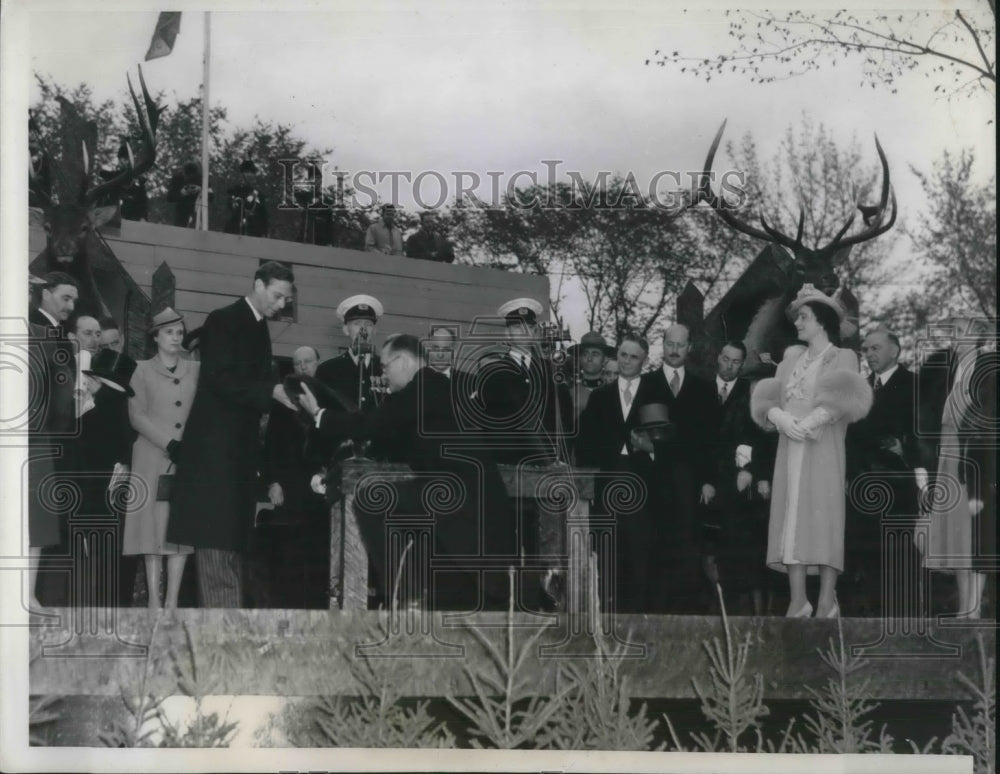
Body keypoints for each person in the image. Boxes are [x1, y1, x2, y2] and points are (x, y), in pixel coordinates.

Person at [298, 334, 515, 610]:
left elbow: (373, 423)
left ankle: (407, 596)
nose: (384, 375)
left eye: (385, 367)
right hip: (462, 501)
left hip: (463, 499)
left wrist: (319, 415)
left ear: (401, 361)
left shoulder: (427, 385)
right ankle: (412, 594)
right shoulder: (427, 394)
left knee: (372, 500)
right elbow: (384, 440)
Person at [166, 262, 297, 607]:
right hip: (214, 455)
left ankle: (227, 627)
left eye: (287, 298)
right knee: (216, 543)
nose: (282, 304)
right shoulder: (224, 319)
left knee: (231, 546)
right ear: (257, 284)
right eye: (277, 295)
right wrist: (271, 392)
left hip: (234, 454)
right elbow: (219, 379)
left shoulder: (256, 326)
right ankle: (219, 634)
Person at [750, 285, 872, 619]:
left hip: (823, 450)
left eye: (804, 317)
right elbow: (766, 400)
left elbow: (846, 399)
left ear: (822, 321)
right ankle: (798, 600)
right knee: (792, 520)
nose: (798, 324)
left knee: (824, 519)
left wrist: (810, 422)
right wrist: (780, 418)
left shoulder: (842, 356)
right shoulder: (790, 359)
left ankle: (827, 601)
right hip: (790, 450)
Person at [637, 323, 719, 613]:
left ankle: (686, 614)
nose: (674, 350)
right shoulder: (645, 384)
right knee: (654, 545)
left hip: (689, 480)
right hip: (652, 481)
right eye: (669, 344)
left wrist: (709, 481)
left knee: (687, 544)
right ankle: (654, 613)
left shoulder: (704, 388)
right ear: (662, 344)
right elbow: (636, 433)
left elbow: (712, 440)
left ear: (689, 348)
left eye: (680, 345)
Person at [843, 328, 925, 616]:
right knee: (867, 557)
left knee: (900, 557)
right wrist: (848, 476)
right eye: (866, 350)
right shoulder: (860, 389)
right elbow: (849, 438)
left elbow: (928, 433)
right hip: (861, 486)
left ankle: (905, 626)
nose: (869, 355)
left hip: (898, 486)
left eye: (875, 348)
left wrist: (907, 451)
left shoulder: (915, 385)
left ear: (895, 350)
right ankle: (872, 626)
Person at [124, 309, 199, 614]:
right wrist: (168, 442)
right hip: (152, 457)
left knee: (179, 530)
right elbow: (136, 415)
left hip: (185, 458)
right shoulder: (140, 370)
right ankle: (154, 600)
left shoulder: (196, 369)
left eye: (180, 333)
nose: (176, 338)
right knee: (151, 531)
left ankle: (172, 602)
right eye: (169, 332)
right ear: (155, 336)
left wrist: (190, 445)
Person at [577, 333, 659, 613]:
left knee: (639, 553)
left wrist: (649, 448)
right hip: (607, 480)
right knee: (607, 553)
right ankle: (606, 616)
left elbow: (662, 438)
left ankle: (637, 620)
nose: (626, 361)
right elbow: (585, 444)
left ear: (643, 361)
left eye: (633, 356)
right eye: (623, 354)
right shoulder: (600, 397)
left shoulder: (654, 394)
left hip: (642, 482)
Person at [925, 328, 997, 618]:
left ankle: (974, 606)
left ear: (978, 336)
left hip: (971, 461)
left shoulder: (987, 367)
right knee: (955, 536)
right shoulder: (951, 373)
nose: (954, 339)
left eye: (962, 333)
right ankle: (963, 606)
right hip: (948, 462)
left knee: (974, 533)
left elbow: (985, 423)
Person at [707, 340, 776, 616]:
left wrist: (759, 474)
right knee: (733, 548)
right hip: (733, 489)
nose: (757, 389)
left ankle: (762, 614)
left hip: (762, 493)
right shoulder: (738, 408)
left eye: (763, 384)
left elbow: (773, 448)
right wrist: (737, 472)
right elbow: (724, 444)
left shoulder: (773, 414)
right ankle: (732, 611)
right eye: (753, 383)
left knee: (759, 553)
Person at [259, 345, 330, 607]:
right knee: (288, 550)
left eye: (308, 362)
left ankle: (316, 606)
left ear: (317, 363)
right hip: (288, 486)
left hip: (320, 486)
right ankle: (286, 607)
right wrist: (273, 482)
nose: (302, 367)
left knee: (318, 549)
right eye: (298, 363)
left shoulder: (327, 398)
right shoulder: (283, 402)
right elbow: (271, 445)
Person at [69, 348, 138, 611]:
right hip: (118, 515)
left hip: (93, 512)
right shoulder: (123, 414)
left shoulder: (94, 416)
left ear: (99, 382)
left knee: (96, 580)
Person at [315, 295, 385, 415]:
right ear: (346, 330)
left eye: (368, 324)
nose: (363, 329)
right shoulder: (327, 370)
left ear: (374, 330)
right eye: (357, 323)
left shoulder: (385, 368)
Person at [568, 331, 612, 421]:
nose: (589, 358)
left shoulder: (613, 393)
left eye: (595, 354)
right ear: (579, 359)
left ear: (605, 359)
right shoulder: (570, 394)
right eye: (585, 354)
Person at [225, 159, 269, 238]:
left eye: (251, 172)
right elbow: (230, 208)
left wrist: (265, 232)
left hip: (254, 231)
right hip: (235, 228)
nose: (249, 175)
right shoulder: (234, 191)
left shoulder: (259, 194)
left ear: (254, 175)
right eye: (246, 172)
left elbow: (264, 215)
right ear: (242, 174)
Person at [166, 162, 212, 229]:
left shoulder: (203, 180)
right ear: (184, 173)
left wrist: (201, 191)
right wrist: (181, 193)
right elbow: (169, 197)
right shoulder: (177, 179)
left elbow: (211, 196)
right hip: (182, 211)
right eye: (188, 177)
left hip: (198, 210)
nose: (190, 179)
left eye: (192, 178)